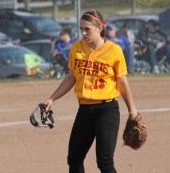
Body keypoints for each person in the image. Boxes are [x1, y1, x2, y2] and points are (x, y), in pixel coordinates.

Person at [42, 9, 140, 173]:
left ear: (100, 28)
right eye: (81, 29)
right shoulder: (76, 48)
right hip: (85, 110)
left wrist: (132, 111)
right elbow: (71, 77)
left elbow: (122, 82)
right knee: (74, 160)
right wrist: (52, 99)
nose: (83, 32)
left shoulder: (114, 51)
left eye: (87, 29)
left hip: (107, 110)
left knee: (104, 161)